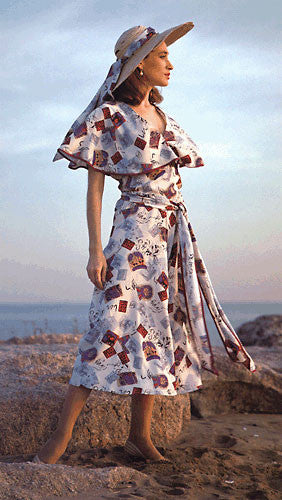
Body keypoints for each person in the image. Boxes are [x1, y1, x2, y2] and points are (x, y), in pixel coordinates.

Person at [33, 23, 256, 465]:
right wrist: (95, 250)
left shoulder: (165, 119)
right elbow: (95, 189)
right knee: (107, 325)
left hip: (170, 236)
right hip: (132, 231)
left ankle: (140, 436)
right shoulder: (108, 118)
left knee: (158, 330)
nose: (170, 64)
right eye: (161, 57)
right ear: (138, 68)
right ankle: (58, 439)